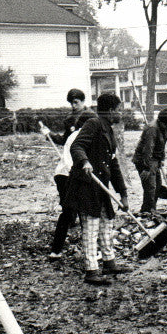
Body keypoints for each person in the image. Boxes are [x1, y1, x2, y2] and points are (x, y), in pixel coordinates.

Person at [67, 92, 129, 285]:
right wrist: (84, 162)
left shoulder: (109, 130)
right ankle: (91, 270)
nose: (121, 113)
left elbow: (114, 164)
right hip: (86, 186)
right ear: (110, 111)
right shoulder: (93, 124)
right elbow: (76, 146)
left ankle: (109, 261)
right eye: (119, 110)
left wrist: (123, 194)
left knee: (106, 223)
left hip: (101, 187)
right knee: (91, 227)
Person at [48, 89, 95, 259]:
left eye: (76, 102)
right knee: (73, 211)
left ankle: (86, 251)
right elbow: (70, 157)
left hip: (71, 173)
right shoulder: (76, 137)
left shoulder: (88, 121)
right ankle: (59, 250)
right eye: (71, 103)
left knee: (75, 211)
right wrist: (50, 135)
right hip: (67, 174)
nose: (74, 106)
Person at [133, 107, 167, 214]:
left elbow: (161, 145)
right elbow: (148, 150)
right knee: (150, 188)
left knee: (157, 187)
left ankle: (151, 210)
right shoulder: (152, 129)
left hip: (155, 160)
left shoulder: (164, 127)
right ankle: (147, 212)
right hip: (144, 160)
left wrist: (161, 159)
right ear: (161, 121)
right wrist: (146, 168)